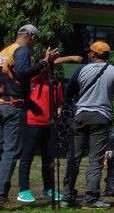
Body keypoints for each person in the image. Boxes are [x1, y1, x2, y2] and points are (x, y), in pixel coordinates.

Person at [62, 41, 114, 209]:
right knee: (95, 160)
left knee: (73, 158)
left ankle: (67, 197)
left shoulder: (81, 70)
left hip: (80, 116)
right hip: (101, 117)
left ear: (93, 54)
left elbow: (69, 94)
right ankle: (90, 199)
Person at [0, 24, 58, 208]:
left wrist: (31, 104)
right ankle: (1, 196)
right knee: (11, 151)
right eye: (36, 39)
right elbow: (24, 73)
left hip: (1, 103)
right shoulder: (22, 50)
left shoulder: (5, 51)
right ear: (31, 36)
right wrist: (42, 63)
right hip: (13, 106)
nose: (35, 43)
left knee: (1, 151)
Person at [17, 54, 83, 203]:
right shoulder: (34, 80)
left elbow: (59, 102)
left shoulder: (56, 84)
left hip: (49, 124)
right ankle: (23, 189)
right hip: (32, 121)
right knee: (27, 156)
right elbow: (44, 64)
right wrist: (70, 58)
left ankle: (48, 188)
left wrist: (59, 109)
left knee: (49, 158)